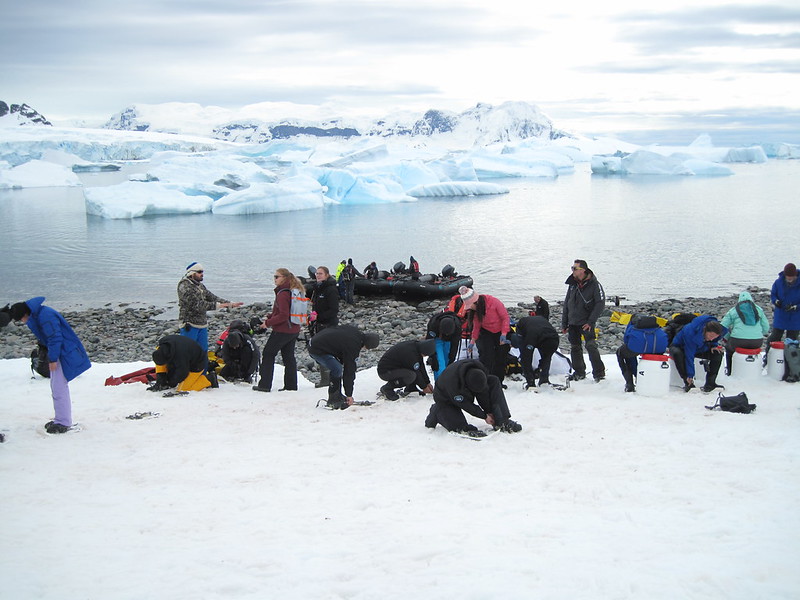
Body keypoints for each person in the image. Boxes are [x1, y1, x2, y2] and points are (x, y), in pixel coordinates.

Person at [9, 298, 91, 433]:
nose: (23, 322)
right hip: (60, 352)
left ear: (25, 314)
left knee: (59, 387)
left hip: (63, 353)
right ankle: (60, 419)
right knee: (56, 386)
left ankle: (63, 422)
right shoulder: (39, 314)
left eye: (21, 319)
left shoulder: (45, 316)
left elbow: (55, 338)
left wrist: (52, 359)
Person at [424, 359, 522, 437]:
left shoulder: (479, 370)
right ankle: (436, 411)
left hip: (469, 385)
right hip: (445, 398)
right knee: (460, 427)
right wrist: (484, 416)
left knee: (494, 381)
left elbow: (483, 392)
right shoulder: (453, 384)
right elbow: (466, 405)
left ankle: (502, 421)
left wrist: (490, 412)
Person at [177, 262, 242, 360]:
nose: (202, 274)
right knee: (188, 351)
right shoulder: (184, 286)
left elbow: (211, 297)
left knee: (203, 351)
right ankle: (186, 369)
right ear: (192, 273)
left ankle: (202, 369)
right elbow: (196, 305)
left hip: (202, 324)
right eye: (199, 272)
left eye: (202, 272)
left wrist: (229, 304)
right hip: (189, 324)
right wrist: (218, 306)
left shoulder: (200, 286)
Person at [252, 268, 303, 392]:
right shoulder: (293, 290)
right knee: (289, 357)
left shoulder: (283, 293)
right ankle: (291, 386)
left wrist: (267, 323)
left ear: (284, 278)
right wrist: (270, 316)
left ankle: (264, 385)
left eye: (277, 277)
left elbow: (283, 315)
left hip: (283, 330)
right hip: (294, 328)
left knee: (268, 354)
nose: (274, 279)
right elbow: (284, 311)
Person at [307, 325, 380, 409]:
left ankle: (337, 395)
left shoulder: (355, 333)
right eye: (367, 348)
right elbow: (349, 371)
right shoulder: (353, 346)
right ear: (367, 345)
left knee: (338, 366)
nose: (365, 350)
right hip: (316, 349)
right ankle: (333, 399)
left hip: (316, 340)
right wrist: (349, 394)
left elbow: (341, 344)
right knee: (337, 369)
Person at [561, 259, 606, 382]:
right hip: (573, 322)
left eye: (575, 268)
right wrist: (564, 323)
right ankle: (579, 372)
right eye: (572, 268)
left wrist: (591, 321)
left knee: (591, 346)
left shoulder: (595, 284)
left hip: (586, 322)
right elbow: (567, 303)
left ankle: (599, 373)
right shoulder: (572, 284)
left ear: (583, 270)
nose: (573, 271)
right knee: (575, 347)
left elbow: (600, 303)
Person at [459, 286, 511, 382]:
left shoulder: (494, 302)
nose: (470, 308)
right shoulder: (475, 311)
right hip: (486, 331)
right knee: (487, 357)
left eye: (470, 305)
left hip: (500, 331)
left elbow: (505, 318)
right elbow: (477, 326)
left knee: (501, 357)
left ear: (476, 302)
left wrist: (504, 334)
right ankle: (486, 379)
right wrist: (472, 341)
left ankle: (498, 381)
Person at [669, 316, 727, 393]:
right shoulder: (691, 332)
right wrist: (690, 375)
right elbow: (689, 355)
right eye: (711, 336)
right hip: (680, 347)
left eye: (714, 337)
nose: (711, 339)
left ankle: (710, 383)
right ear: (705, 330)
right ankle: (688, 382)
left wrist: (713, 345)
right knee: (678, 354)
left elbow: (714, 340)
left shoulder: (714, 331)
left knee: (717, 353)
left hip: (700, 347)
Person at [720, 291, 770, 375]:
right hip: (757, 342)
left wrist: (727, 338)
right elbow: (766, 327)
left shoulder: (733, 310)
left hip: (737, 341)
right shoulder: (758, 310)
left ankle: (730, 371)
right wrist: (759, 333)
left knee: (729, 349)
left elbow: (722, 327)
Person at [615, 315, 668, 392]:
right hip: (658, 349)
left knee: (623, 353)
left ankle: (630, 383)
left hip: (637, 348)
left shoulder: (632, 325)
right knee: (632, 351)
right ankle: (653, 381)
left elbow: (626, 340)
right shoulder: (657, 328)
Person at [309, 265, 340, 388]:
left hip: (328, 325)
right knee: (319, 349)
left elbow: (334, 310)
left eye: (320, 273)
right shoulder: (318, 288)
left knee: (324, 351)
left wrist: (319, 317)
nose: (318, 275)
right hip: (319, 324)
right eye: (317, 273)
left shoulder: (330, 289)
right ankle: (325, 377)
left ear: (326, 275)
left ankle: (328, 378)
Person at [511, 315, 561, 388]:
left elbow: (546, 357)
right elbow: (527, 357)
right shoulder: (531, 336)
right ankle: (534, 382)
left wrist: (541, 367)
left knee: (545, 357)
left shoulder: (554, 340)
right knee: (527, 356)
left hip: (542, 333)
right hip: (529, 330)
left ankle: (542, 381)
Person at [766, 263, 800, 357]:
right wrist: (776, 301)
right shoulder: (778, 282)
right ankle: (768, 358)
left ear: (795, 275)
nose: (789, 279)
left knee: (792, 341)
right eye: (787, 277)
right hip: (781, 314)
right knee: (774, 337)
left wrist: (796, 307)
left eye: (791, 277)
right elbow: (773, 294)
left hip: (795, 317)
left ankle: (791, 362)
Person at [425, 310, 463, 379]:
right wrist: (432, 357)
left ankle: (446, 380)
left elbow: (454, 346)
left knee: (447, 361)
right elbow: (428, 342)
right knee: (439, 362)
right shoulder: (433, 324)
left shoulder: (457, 327)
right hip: (437, 339)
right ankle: (439, 382)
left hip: (450, 340)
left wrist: (451, 360)